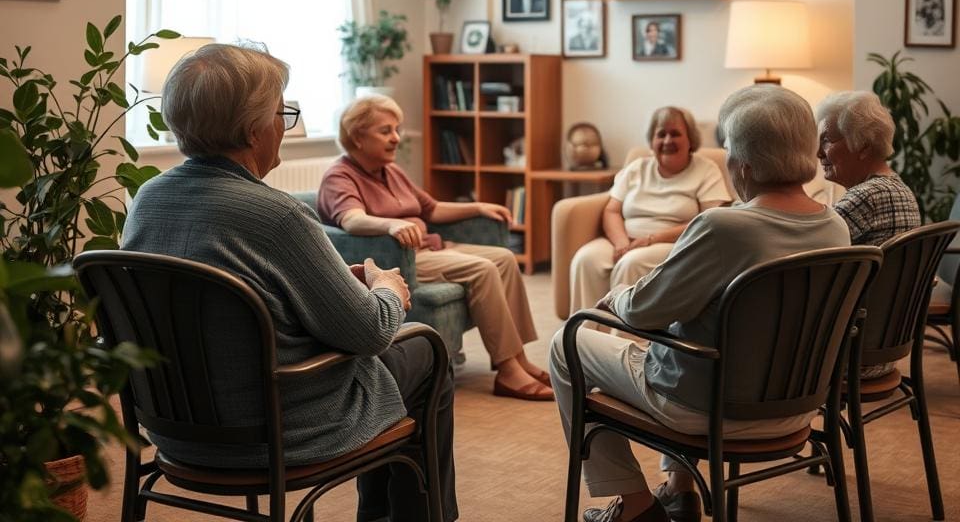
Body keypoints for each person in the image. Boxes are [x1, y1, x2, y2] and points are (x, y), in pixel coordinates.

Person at [122, 44, 458, 522]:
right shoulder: (279, 217)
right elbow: (369, 333)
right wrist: (386, 289)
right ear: (254, 127)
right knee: (426, 352)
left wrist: (334, 282)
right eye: (283, 112)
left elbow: (227, 293)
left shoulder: (147, 199)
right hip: (279, 430)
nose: (284, 125)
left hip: (173, 430)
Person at [550, 85, 851, 522]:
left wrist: (615, 297)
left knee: (567, 343)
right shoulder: (835, 226)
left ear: (744, 164)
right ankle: (678, 488)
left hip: (710, 409)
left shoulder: (725, 227)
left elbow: (641, 311)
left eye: (727, 151)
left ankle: (635, 508)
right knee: (686, 335)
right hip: (798, 407)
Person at [318, 94, 553, 401]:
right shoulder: (340, 176)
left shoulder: (391, 170)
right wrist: (390, 224)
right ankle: (508, 371)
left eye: (396, 129)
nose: (396, 138)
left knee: (505, 258)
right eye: (385, 131)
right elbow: (352, 220)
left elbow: (432, 210)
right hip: (399, 258)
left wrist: (479, 206)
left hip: (430, 249)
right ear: (357, 137)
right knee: (483, 269)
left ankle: (518, 358)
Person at [568, 107, 730, 315]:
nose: (667, 140)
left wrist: (652, 239)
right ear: (652, 140)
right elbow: (612, 210)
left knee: (630, 263)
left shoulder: (706, 170)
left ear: (690, 139)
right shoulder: (637, 167)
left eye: (675, 134)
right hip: (625, 240)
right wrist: (621, 243)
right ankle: (583, 334)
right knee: (586, 259)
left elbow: (709, 221)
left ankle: (623, 338)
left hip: (674, 244)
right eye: (661, 134)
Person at [815, 91, 920, 248]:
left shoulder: (866, 197)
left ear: (863, 146)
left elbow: (807, 247)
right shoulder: (900, 188)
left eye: (827, 141)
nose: (819, 153)